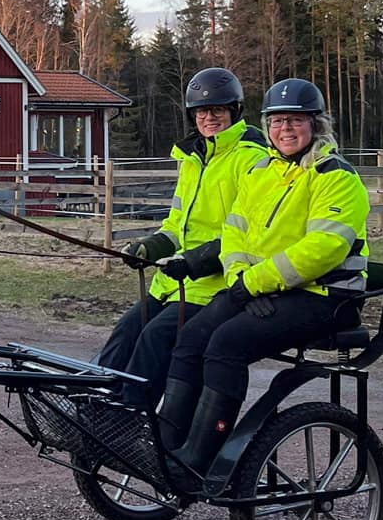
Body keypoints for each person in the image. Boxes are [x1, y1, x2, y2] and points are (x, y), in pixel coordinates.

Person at [156, 77, 370, 478]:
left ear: (315, 124)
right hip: (259, 286)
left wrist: (254, 282)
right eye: (277, 121)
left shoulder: (336, 176)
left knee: (226, 344)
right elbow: (234, 231)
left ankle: (199, 460)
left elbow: (323, 249)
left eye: (295, 120)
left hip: (323, 295)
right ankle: (166, 446)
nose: (285, 129)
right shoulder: (262, 172)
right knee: (191, 336)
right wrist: (240, 276)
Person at [100, 67, 267, 402]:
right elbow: (178, 224)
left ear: (234, 111)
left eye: (217, 110)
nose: (209, 118)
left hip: (215, 284)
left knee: (155, 338)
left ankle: (132, 417)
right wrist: (149, 247)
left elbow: (251, 234)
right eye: (201, 111)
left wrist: (194, 261)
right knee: (127, 330)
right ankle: (98, 405)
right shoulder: (193, 159)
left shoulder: (253, 160)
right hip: (174, 281)